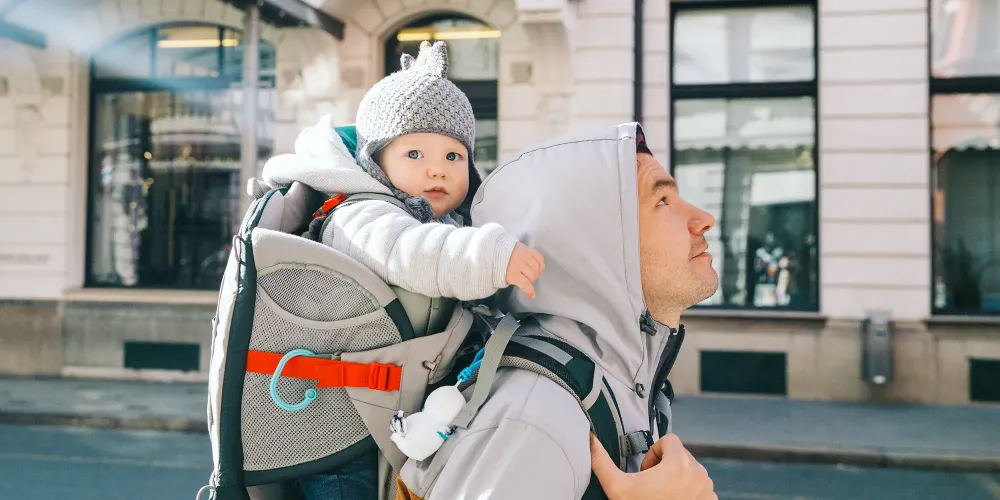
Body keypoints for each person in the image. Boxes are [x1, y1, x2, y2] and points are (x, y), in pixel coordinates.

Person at [261, 40, 544, 500]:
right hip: (340, 426)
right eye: (414, 155)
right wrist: (491, 256)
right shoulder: (360, 213)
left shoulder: (446, 222)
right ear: (375, 162)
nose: (437, 170)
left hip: (392, 409)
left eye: (453, 157)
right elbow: (412, 253)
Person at [395, 123, 719, 499]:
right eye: (662, 201)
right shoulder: (537, 416)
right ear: (595, 243)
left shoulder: (613, 377)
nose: (704, 218)